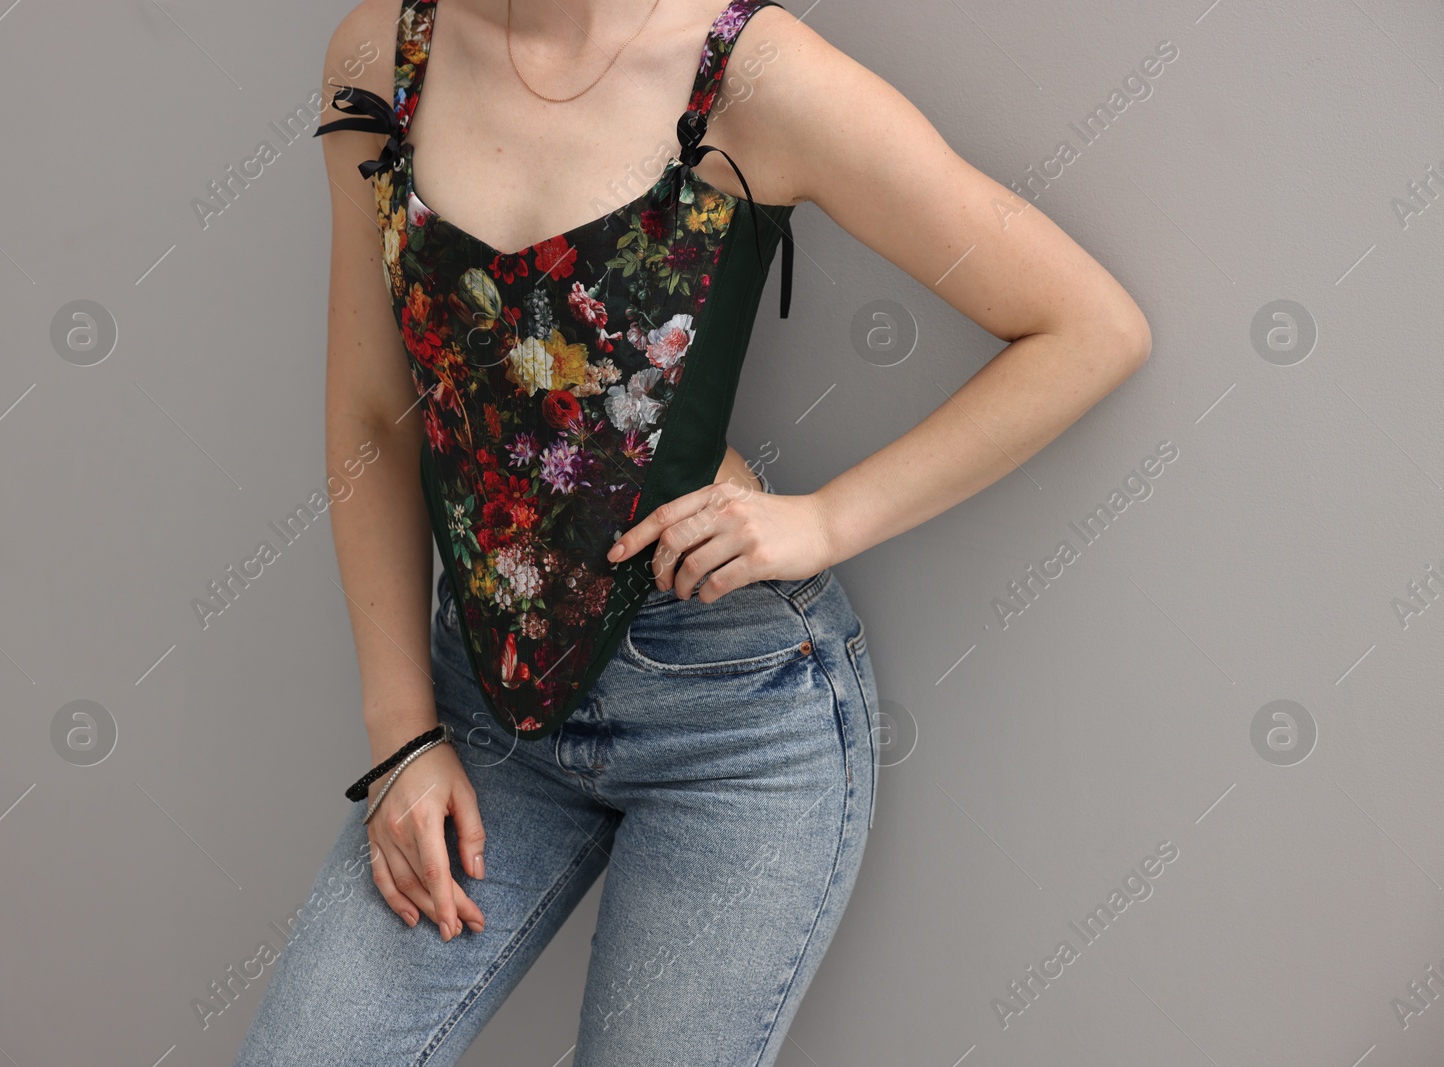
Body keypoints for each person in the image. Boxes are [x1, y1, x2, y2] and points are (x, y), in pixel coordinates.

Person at [234, 0, 1151, 1062]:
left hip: (731, 724)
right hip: (481, 700)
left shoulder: (753, 76)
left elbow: (1089, 327)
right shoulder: (388, 53)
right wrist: (400, 734)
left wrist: (825, 521)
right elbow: (370, 416)